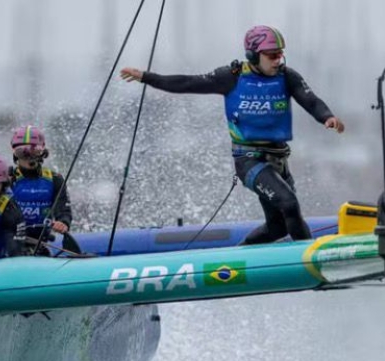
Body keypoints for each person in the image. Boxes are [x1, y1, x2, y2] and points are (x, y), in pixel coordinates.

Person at [120, 26, 345, 244]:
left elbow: (310, 100)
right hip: (249, 161)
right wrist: (145, 77)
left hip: (279, 161)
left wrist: (327, 117)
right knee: (289, 203)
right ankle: (308, 261)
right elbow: (187, 82)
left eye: (280, 55)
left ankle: (239, 256)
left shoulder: (287, 77)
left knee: (278, 227)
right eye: (272, 55)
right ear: (253, 56)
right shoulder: (231, 77)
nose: (278, 60)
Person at [8, 125, 74, 252]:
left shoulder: (55, 179)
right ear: (15, 154)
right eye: (22, 152)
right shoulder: (8, 179)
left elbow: (64, 210)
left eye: (34, 151)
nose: (28, 157)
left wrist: (63, 223)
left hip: (41, 244)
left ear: (42, 152)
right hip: (12, 244)